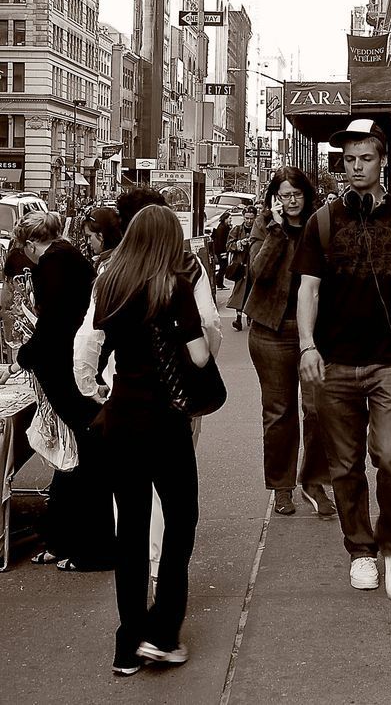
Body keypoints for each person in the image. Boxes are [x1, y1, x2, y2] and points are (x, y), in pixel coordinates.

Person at [293, 119, 391, 600]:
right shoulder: (322, 221)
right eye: (348, 160)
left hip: (389, 363)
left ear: (383, 163)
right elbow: (308, 290)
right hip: (335, 364)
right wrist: (307, 346)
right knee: (346, 464)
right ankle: (360, 550)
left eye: (365, 159)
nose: (355, 168)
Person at [93, 205, 209, 675]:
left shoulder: (109, 282)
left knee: (132, 529)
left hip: (122, 417)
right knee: (182, 519)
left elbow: (97, 343)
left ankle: (128, 643)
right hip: (165, 422)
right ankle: (163, 632)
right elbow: (199, 357)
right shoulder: (173, 286)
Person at [12, 212, 115, 572]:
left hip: (67, 372)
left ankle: (92, 547)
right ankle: (65, 538)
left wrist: (22, 357)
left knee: (84, 456)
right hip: (74, 367)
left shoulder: (52, 265)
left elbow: (54, 324)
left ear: (29, 244)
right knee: (77, 454)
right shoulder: (68, 258)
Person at [244, 167, 335, 518]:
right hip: (272, 330)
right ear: (275, 198)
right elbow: (259, 272)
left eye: (296, 194)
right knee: (279, 413)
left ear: (306, 195)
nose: (291, 201)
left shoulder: (321, 224)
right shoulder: (265, 225)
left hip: (314, 331)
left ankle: (313, 480)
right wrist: (277, 231)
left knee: (316, 410)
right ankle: (282, 486)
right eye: (284, 195)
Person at [227, 205, 257, 331]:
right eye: (247, 218)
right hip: (240, 266)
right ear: (243, 217)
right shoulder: (237, 230)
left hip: (254, 265)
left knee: (252, 292)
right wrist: (240, 243)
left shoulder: (259, 229)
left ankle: (250, 315)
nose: (249, 221)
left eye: (251, 218)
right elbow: (228, 245)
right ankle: (238, 318)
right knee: (240, 292)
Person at [81, 206, 123, 271]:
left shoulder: (108, 267)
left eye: (89, 236)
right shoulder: (120, 257)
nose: (88, 242)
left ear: (101, 235)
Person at [212, 212, 232, 289]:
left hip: (222, 250)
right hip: (221, 251)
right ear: (225, 219)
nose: (230, 220)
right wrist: (223, 252)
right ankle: (219, 282)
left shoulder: (224, 227)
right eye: (229, 218)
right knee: (223, 266)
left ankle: (218, 280)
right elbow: (221, 241)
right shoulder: (222, 228)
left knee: (223, 266)